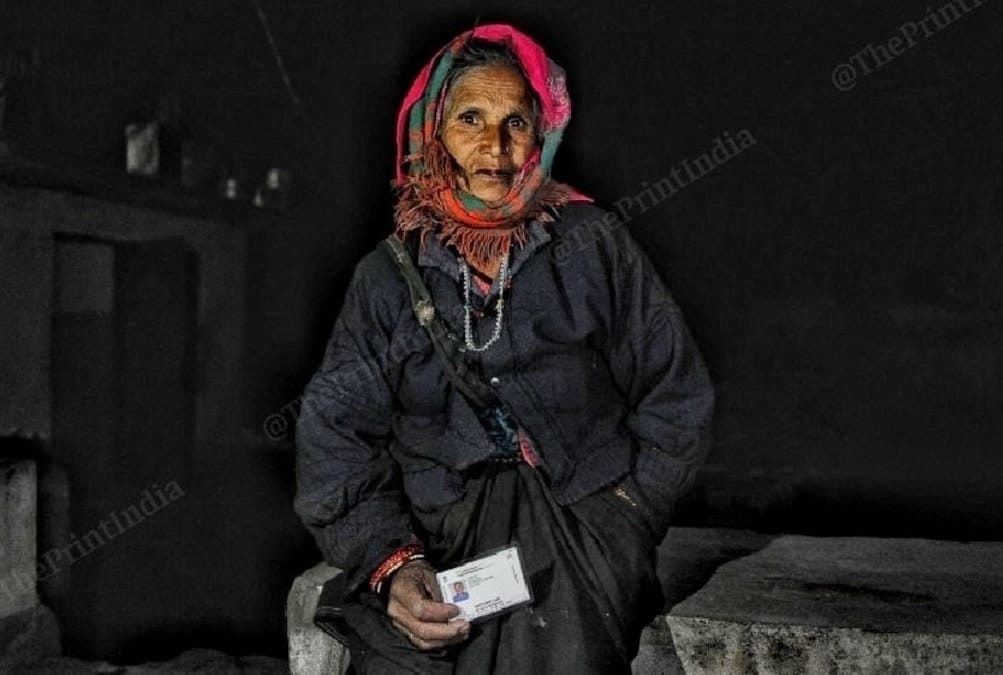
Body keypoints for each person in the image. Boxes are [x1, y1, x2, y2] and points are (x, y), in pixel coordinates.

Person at [295, 23, 713, 674]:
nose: (496, 147)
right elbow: (333, 435)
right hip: (440, 536)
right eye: (471, 119)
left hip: (580, 533)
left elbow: (677, 390)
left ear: (541, 135)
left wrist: (630, 511)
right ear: (433, 133)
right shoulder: (387, 278)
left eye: (517, 122)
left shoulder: (590, 243)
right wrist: (395, 564)